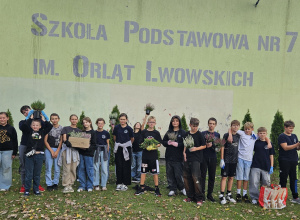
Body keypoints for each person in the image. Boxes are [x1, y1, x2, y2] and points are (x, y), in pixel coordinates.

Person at [228, 122, 271, 203]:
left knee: (246, 178)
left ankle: (244, 194)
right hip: (240, 158)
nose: (247, 130)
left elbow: (265, 137)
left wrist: (268, 143)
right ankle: (238, 194)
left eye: (249, 129)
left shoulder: (254, 135)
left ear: (252, 129)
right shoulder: (242, 133)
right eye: (246, 129)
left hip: (249, 160)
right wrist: (230, 135)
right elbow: (231, 129)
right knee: (240, 177)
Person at [22, 110, 52, 196]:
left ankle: (36, 189)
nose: (35, 126)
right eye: (33, 125)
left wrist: (44, 118)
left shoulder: (42, 132)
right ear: (31, 126)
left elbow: (49, 126)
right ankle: (27, 190)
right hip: (29, 155)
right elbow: (24, 126)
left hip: (39, 155)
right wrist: (30, 118)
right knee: (29, 173)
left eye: (37, 125)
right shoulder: (28, 132)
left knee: (37, 174)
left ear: (40, 126)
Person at [18, 105, 45, 193]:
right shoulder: (23, 122)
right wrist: (29, 118)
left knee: (36, 167)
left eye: (27, 110)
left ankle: (36, 185)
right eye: (24, 112)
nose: (26, 112)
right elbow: (23, 127)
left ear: (31, 110)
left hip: (36, 146)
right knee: (24, 165)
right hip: (25, 145)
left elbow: (45, 125)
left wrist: (42, 115)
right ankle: (24, 184)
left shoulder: (38, 122)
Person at [135, 116, 163, 196]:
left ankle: (157, 188)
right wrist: (145, 146)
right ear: (147, 123)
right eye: (150, 122)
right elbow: (140, 142)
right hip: (145, 156)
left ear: (155, 123)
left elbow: (159, 143)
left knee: (155, 172)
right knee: (143, 171)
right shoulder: (144, 132)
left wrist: (153, 146)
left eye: (153, 122)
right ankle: (141, 187)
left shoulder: (156, 133)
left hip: (153, 156)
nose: (151, 123)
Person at [182, 117, 206, 206]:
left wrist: (196, 148)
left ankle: (199, 198)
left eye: (196, 126)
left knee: (195, 177)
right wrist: (184, 153)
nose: (195, 128)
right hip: (187, 158)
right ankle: (190, 196)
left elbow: (204, 146)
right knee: (186, 177)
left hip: (196, 159)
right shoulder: (186, 134)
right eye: (193, 126)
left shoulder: (199, 135)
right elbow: (185, 144)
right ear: (190, 125)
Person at [249, 127, 274, 205]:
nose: (262, 135)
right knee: (254, 182)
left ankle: (265, 197)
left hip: (266, 166)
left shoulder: (269, 144)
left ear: (266, 134)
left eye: (264, 133)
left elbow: (271, 155)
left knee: (266, 182)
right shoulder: (255, 142)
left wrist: (272, 166)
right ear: (258, 134)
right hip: (256, 165)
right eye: (260, 133)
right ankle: (254, 198)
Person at [163, 115, 186, 196]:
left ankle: (182, 188)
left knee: (178, 174)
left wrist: (178, 144)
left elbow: (186, 144)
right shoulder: (169, 132)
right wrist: (167, 142)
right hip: (169, 156)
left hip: (178, 157)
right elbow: (163, 142)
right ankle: (172, 188)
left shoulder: (183, 132)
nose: (175, 122)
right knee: (170, 173)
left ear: (179, 122)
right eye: (173, 121)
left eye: (176, 121)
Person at [278, 120, 300, 204]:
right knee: (283, 178)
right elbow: (285, 147)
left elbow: (296, 148)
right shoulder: (282, 136)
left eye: (292, 128)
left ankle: (295, 196)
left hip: (294, 160)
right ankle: (282, 197)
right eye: (290, 128)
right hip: (284, 160)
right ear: (285, 127)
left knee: (294, 179)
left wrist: (299, 146)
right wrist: (296, 144)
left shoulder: (294, 136)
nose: (291, 130)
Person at [58, 114, 81, 193]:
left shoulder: (79, 131)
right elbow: (64, 138)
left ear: (77, 120)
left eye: (75, 119)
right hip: (67, 150)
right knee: (66, 168)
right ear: (70, 120)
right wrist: (67, 142)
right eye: (72, 119)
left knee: (73, 168)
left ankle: (71, 184)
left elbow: (80, 141)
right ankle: (66, 185)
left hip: (75, 151)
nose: (74, 120)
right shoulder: (66, 128)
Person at [219, 120, 240, 205]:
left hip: (234, 160)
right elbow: (222, 146)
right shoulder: (226, 135)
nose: (235, 127)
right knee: (224, 177)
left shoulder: (239, 136)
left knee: (231, 177)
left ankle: (229, 194)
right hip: (226, 160)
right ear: (231, 126)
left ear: (239, 127)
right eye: (233, 125)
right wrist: (222, 159)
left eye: (237, 125)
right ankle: (221, 195)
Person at [113, 113, 134, 191]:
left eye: (124, 119)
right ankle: (119, 183)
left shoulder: (129, 128)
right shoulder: (117, 128)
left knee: (126, 165)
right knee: (119, 165)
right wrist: (119, 144)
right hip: (118, 148)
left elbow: (132, 138)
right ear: (119, 120)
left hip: (126, 148)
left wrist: (126, 145)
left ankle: (125, 183)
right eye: (121, 119)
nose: (122, 120)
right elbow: (114, 137)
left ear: (126, 120)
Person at [201, 118, 220, 202]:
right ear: (208, 124)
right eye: (210, 123)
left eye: (213, 124)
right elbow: (200, 144)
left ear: (215, 125)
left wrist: (214, 145)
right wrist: (206, 145)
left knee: (212, 176)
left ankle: (210, 194)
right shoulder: (203, 133)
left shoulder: (217, 135)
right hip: (204, 156)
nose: (211, 125)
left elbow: (218, 147)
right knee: (203, 176)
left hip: (213, 157)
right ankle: (202, 194)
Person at [44, 113, 63, 191]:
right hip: (49, 149)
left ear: (58, 119)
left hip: (58, 149)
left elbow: (61, 140)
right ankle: (49, 183)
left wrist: (57, 150)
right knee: (48, 167)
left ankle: (55, 183)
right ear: (50, 120)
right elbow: (45, 141)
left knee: (57, 167)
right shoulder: (48, 128)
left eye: (56, 118)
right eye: (52, 119)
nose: (54, 120)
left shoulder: (62, 128)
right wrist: (51, 151)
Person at [77, 117, 97, 192]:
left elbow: (94, 145)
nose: (85, 124)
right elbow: (79, 142)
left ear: (90, 123)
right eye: (84, 122)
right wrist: (80, 147)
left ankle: (89, 186)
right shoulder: (82, 132)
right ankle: (82, 185)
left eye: (87, 122)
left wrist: (87, 148)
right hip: (81, 153)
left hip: (89, 154)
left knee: (89, 169)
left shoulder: (93, 132)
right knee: (81, 169)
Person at [0, 112, 18, 191]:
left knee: (6, 168)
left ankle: (4, 186)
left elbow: (15, 141)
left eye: (4, 118)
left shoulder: (11, 128)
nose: (2, 119)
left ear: (7, 118)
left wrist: (14, 152)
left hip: (8, 151)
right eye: (0, 118)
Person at [94, 118, 110, 191]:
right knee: (96, 168)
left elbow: (107, 143)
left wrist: (107, 151)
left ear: (104, 124)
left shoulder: (106, 133)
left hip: (104, 151)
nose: (100, 125)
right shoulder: (94, 133)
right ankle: (96, 184)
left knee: (104, 169)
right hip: (96, 151)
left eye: (102, 123)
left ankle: (103, 184)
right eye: (99, 123)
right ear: (97, 124)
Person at [131, 115, 147, 183]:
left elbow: (143, 124)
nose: (138, 125)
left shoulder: (141, 132)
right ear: (134, 126)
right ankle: (133, 176)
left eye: (139, 124)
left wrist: (146, 116)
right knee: (133, 165)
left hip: (140, 151)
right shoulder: (131, 133)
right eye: (136, 124)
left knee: (139, 164)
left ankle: (138, 177)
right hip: (132, 151)